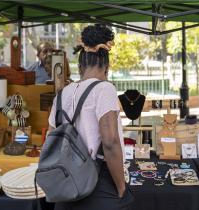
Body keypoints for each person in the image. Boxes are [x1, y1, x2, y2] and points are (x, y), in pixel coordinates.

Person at [48, 24, 134, 210]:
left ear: (80, 65)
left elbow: (51, 138)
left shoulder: (62, 94)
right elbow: (110, 141)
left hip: (66, 186)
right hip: (97, 183)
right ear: (107, 65)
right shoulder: (105, 89)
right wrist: (121, 187)